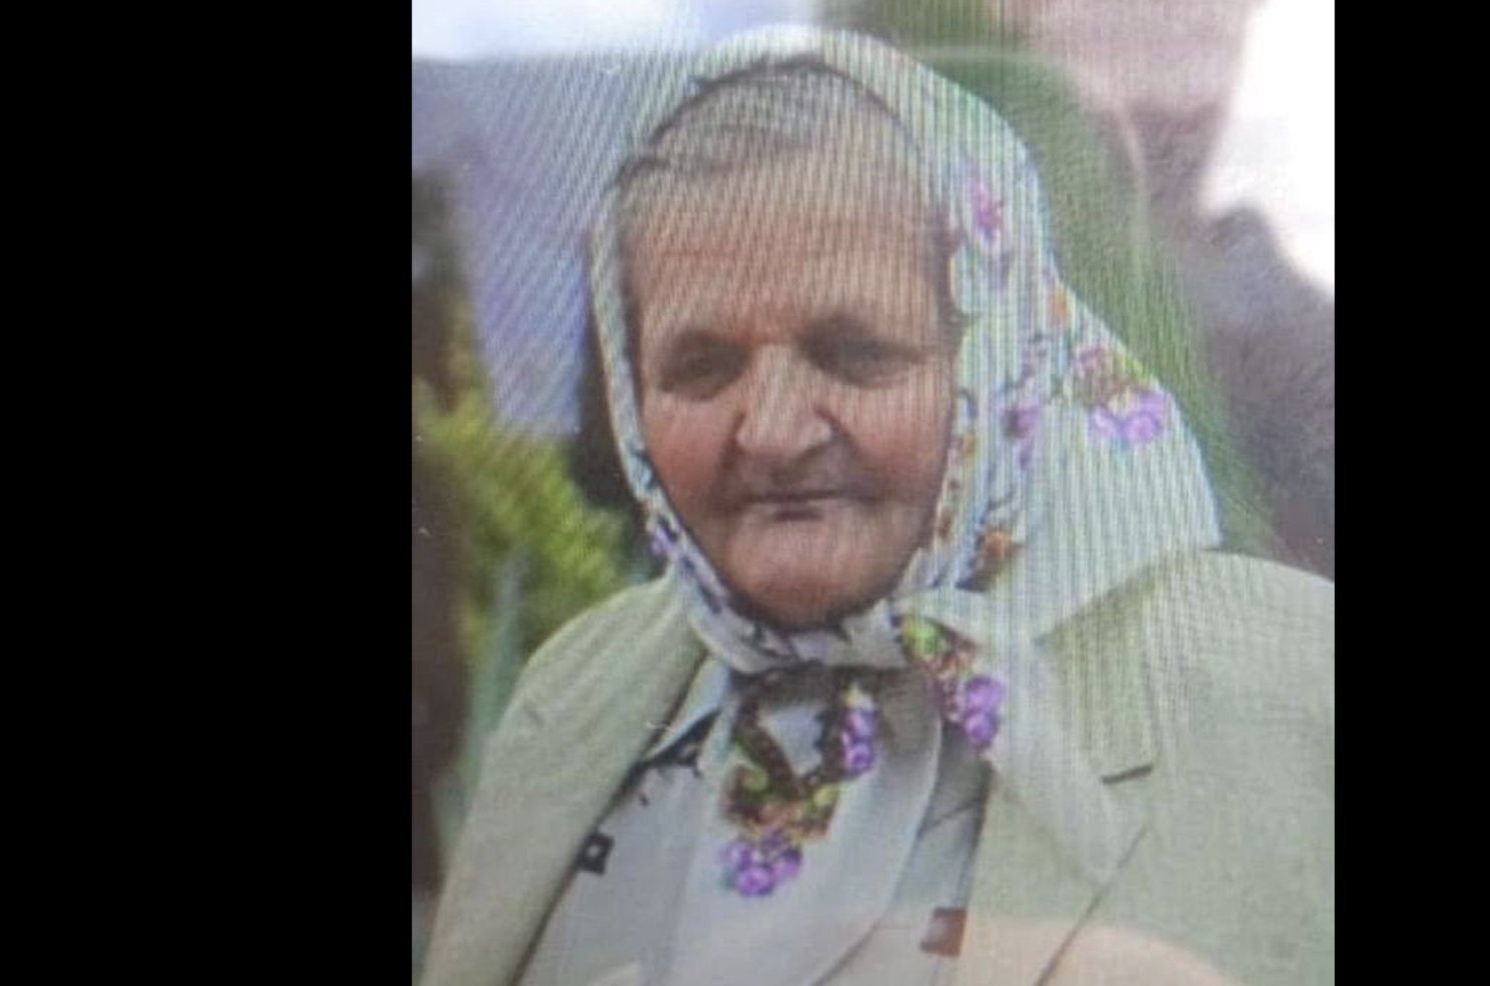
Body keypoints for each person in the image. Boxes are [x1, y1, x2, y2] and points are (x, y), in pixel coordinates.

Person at [423, 27, 1332, 986]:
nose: (773, 431)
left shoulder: (1286, 681)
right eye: (702, 366)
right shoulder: (578, 688)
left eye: (855, 353)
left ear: (997, 355)